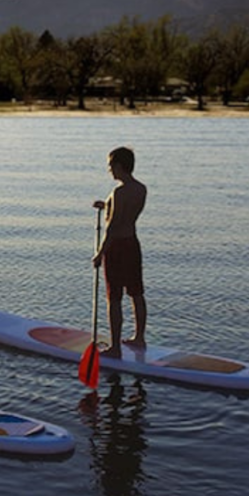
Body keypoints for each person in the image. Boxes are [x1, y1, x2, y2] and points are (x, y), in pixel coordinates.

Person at [92, 147, 148, 358]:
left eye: (111, 166)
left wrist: (99, 254)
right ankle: (139, 337)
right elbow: (123, 211)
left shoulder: (119, 192)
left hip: (116, 248)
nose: (109, 170)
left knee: (114, 298)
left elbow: (113, 226)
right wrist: (105, 204)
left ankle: (115, 348)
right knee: (136, 293)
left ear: (118, 166)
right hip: (132, 244)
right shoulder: (141, 189)